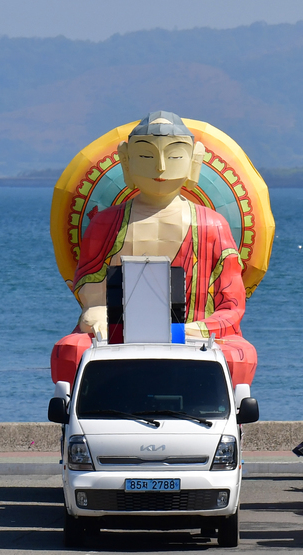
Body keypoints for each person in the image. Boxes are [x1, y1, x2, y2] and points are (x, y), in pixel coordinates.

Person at [51, 111, 256, 386]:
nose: (160, 167)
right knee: (70, 349)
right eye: (146, 156)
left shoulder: (212, 226)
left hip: (194, 331)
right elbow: (93, 294)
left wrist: (186, 331)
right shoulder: (105, 223)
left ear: (194, 161)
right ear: (126, 160)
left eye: (174, 157)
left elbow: (231, 305)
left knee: (240, 355)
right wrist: (97, 314)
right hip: (118, 331)